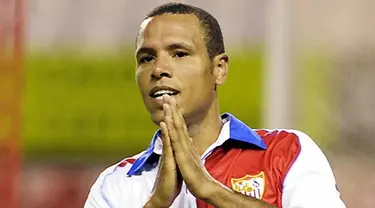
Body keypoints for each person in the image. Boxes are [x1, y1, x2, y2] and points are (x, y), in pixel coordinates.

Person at [84, 2, 346, 208]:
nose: (159, 69)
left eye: (179, 54)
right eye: (147, 58)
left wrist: (211, 190)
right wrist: (157, 204)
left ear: (218, 68)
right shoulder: (115, 184)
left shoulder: (287, 152)